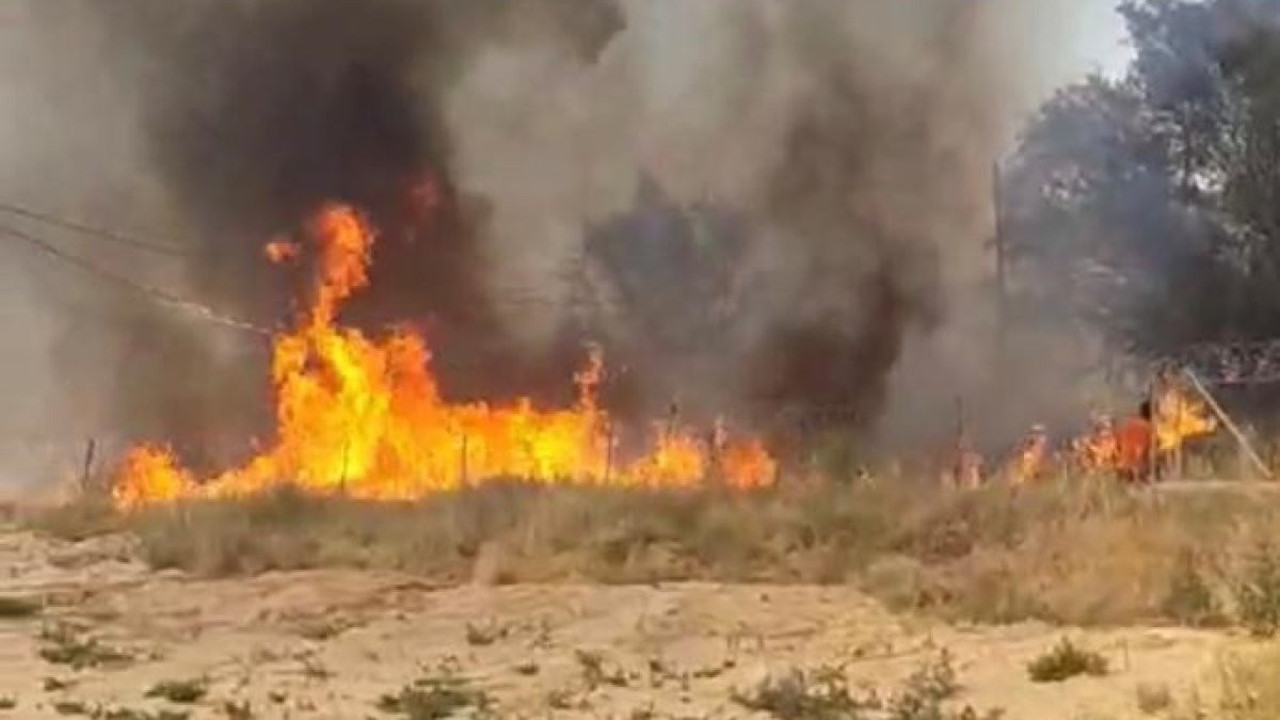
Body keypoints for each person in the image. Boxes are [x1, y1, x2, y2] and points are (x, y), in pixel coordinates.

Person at [1115, 400, 1154, 484]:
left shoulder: (1129, 423)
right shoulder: (1147, 428)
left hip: (1123, 465)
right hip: (1135, 468)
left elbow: (1118, 441)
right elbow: (1144, 450)